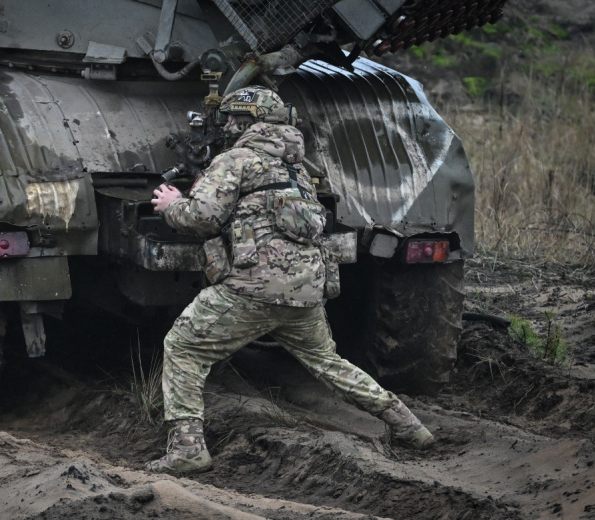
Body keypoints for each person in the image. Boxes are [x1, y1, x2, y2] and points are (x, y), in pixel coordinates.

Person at [147, 86, 434, 475]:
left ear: (248, 122)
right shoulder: (298, 167)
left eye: (232, 119)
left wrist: (171, 205)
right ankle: (410, 427)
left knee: (183, 347)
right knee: (328, 363)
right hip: (306, 290)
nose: (227, 125)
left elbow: (203, 218)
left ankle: (187, 450)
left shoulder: (236, 160)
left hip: (252, 289)